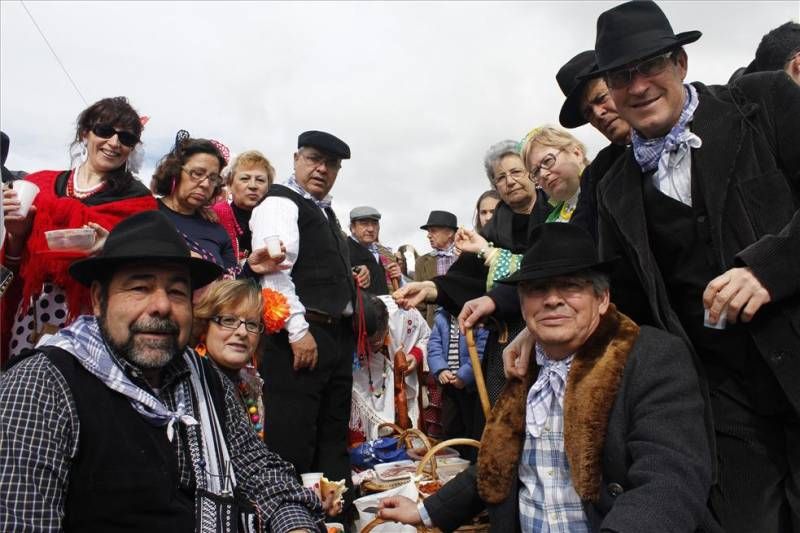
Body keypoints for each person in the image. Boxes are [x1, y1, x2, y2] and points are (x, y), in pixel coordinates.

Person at [585, 2, 800, 530]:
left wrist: (768, 267)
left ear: (680, 62)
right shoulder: (613, 186)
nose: (637, 87)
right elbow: (619, 297)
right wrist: (530, 321)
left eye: (650, 66)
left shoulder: (764, 100)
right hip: (726, 405)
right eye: (620, 76)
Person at [379, 223, 718, 533]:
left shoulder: (651, 358)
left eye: (570, 286)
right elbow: (497, 462)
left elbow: (669, 478)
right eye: (538, 289)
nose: (553, 299)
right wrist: (426, 512)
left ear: (602, 299)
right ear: (524, 306)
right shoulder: (526, 368)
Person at [0, 210, 325, 533]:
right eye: (139, 287)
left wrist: (296, 527)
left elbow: (260, 470)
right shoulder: (42, 385)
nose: (162, 306)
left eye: (176, 292)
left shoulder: (206, 379)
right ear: (99, 299)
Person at [249, 130, 359, 507]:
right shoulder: (280, 202)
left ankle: (333, 519)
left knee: (332, 436)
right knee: (293, 442)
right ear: (296, 158)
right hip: (302, 334)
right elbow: (273, 272)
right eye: (313, 159)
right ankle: (289, 520)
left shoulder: (326, 212)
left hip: (336, 337)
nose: (322, 169)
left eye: (331, 165)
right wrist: (297, 331)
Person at [2, 97, 156, 361]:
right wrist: (16, 234)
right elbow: (15, 265)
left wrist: (112, 249)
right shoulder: (39, 185)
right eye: (105, 130)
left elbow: (144, 274)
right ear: (85, 132)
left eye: (126, 138)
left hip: (95, 321)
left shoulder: (140, 204)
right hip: (31, 315)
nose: (114, 143)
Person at [557, 49, 631, 242]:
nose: (598, 113)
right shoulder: (598, 173)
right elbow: (580, 237)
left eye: (601, 99)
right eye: (588, 112)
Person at [151, 130, 237, 276]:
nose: (205, 184)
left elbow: (235, 285)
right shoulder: (147, 213)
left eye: (213, 178)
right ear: (175, 171)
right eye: (197, 173)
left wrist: (251, 268)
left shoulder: (217, 231)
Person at [192, 279, 267, 440]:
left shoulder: (250, 385)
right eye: (228, 320)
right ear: (205, 326)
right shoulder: (190, 384)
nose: (243, 332)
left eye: (252, 324)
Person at [350, 293, 430, 442]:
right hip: (366, 379)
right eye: (365, 343)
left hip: (403, 386)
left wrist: (416, 354)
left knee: (406, 434)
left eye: (376, 342)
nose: (372, 347)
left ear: (386, 327)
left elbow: (426, 337)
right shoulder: (352, 322)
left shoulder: (405, 316)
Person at [427, 306, 487, 452]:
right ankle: (453, 457)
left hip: (471, 387)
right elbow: (433, 347)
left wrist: (464, 376)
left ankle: (471, 459)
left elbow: (481, 352)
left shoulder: (479, 319)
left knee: (472, 425)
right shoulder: (441, 318)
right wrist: (440, 369)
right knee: (449, 424)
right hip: (449, 384)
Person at [213, 150, 275, 265]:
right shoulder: (213, 217)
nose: (253, 186)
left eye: (260, 180)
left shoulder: (275, 220)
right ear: (229, 185)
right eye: (245, 179)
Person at [520, 126, 588, 224]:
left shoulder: (607, 190)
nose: (542, 174)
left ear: (577, 154)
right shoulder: (549, 221)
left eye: (547, 161)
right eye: (536, 172)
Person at [414, 210, 459, 326]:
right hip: (434, 327)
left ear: (449, 233)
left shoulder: (467, 256)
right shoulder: (422, 262)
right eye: (428, 232)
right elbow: (420, 305)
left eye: (433, 231)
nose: (428, 235)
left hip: (464, 323)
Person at [347, 206, 402, 295]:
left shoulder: (386, 254)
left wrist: (399, 279)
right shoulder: (342, 249)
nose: (371, 229)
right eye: (364, 224)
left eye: (375, 224)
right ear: (352, 227)